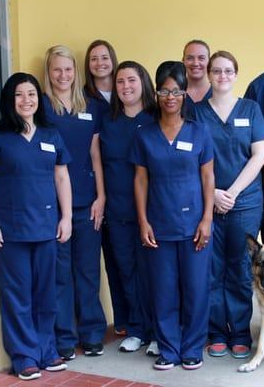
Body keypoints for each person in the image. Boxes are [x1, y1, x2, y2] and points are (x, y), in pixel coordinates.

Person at [0, 72, 72, 381]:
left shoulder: (50, 134)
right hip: (10, 231)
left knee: (45, 293)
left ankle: (47, 351)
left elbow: (61, 177)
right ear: (9, 100)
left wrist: (67, 216)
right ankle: (24, 356)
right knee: (17, 295)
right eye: (19, 95)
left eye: (31, 93)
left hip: (46, 227)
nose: (26, 100)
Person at [130, 61, 214, 370]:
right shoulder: (144, 135)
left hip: (194, 224)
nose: (170, 96)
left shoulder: (199, 131)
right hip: (159, 225)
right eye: (164, 90)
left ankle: (192, 348)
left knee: (195, 289)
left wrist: (207, 219)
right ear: (156, 92)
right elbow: (140, 180)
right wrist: (143, 221)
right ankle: (168, 348)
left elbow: (208, 178)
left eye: (176, 90)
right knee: (163, 291)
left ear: (184, 94)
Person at [195, 51, 264, 359]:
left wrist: (232, 193)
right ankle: (216, 332)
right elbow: (193, 159)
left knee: (239, 268)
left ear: (236, 74)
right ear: (209, 75)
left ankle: (239, 332)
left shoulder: (250, 109)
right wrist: (214, 195)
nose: (222, 76)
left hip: (245, 203)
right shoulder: (196, 112)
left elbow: (259, 155)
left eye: (228, 71)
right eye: (217, 71)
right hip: (207, 203)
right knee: (211, 269)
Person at [43, 45, 107, 360]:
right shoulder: (41, 107)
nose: (63, 75)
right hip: (52, 205)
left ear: (75, 71)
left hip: (87, 200)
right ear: (48, 72)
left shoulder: (92, 107)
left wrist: (102, 196)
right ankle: (64, 337)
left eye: (68, 69)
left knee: (88, 271)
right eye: (57, 69)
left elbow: (96, 155)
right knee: (60, 273)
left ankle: (93, 334)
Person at [100, 60, 157, 354]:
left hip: (154, 211)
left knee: (156, 273)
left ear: (143, 82)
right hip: (120, 211)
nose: (126, 86)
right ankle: (136, 329)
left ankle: (160, 332)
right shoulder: (108, 122)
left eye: (132, 80)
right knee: (128, 271)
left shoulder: (156, 118)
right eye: (120, 81)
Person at [84, 40, 129, 337]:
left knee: (126, 259)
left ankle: (136, 318)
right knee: (111, 259)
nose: (100, 62)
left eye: (104, 57)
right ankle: (122, 319)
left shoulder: (126, 94)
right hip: (97, 187)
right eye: (93, 58)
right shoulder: (85, 98)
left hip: (127, 188)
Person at [182, 40, 212, 119]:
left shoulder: (217, 93)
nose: (195, 63)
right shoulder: (175, 94)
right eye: (190, 58)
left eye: (201, 58)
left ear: (209, 62)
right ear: (183, 61)